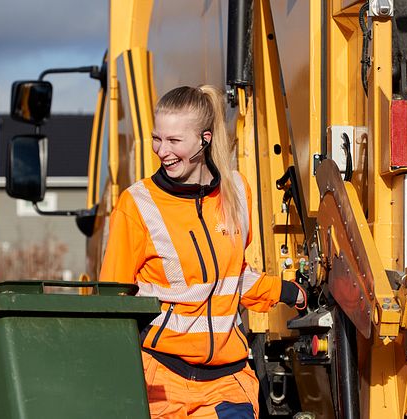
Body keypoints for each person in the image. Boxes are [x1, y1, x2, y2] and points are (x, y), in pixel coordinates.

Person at [99, 85, 305, 418]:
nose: (161, 151)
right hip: (161, 380)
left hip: (228, 379)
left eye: (174, 141)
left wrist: (280, 290)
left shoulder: (237, 191)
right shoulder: (136, 204)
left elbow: (231, 275)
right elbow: (112, 297)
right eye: (157, 139)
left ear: (204, 140)